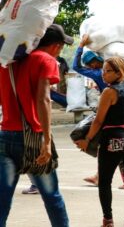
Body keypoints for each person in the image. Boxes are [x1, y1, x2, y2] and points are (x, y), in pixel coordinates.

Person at [0, 24, 72, 226]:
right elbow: (44, 100)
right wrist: (47, 141)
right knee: (52, 197)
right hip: (34, 139)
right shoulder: (46, 60)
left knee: (2, 201)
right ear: (56, 46)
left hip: (6, 136)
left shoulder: (7, 63)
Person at [75, 57, 124, 227]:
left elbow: (98, 121)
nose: (103, 74)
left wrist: (87, 140)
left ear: (118, 72)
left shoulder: (109, 92)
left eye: (107, 71)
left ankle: (108, 221)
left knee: (105, 181)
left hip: (114, 139)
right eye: (103, 70)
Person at [73, 35, 124, 189]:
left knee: (84, 136)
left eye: (90, 64)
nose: (90, 68)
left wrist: (81, 46)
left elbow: (76, 67)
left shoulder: (99, 76)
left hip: (112, 116)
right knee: (120, 154)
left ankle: (123, 180)